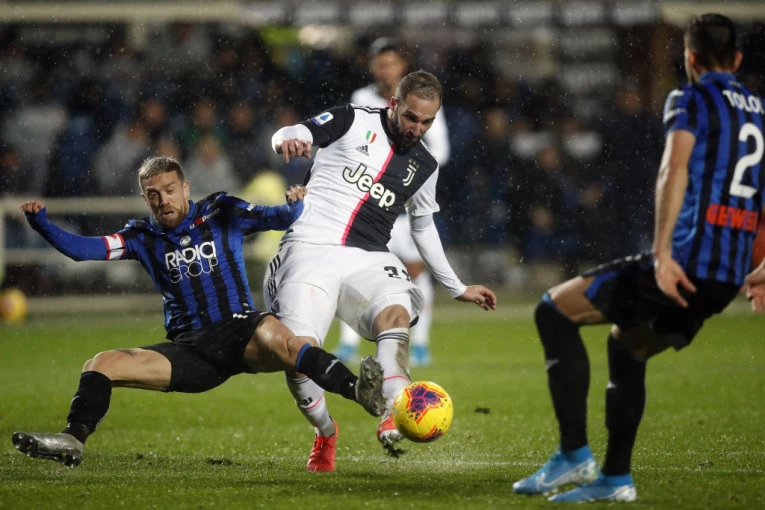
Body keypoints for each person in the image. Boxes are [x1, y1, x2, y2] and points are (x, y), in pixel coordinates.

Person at [512, 13, 765, 502]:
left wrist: (663, 253)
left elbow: (674, 168)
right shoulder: (759, 111)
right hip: (724, 277)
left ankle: (574, 455)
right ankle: (615, 480)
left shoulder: (689, 98)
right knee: (628, 345)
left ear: (689, 58)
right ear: (735, 60)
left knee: (553, 311)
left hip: (685, 263)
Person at [10, 156, 386, 468]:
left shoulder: (221, 211)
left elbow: (277, 218)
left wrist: (295, 204)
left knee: (289, 344)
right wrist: (43, 225)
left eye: (169, 190)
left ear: (186, 188)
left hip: (241, 330)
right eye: (153, 194)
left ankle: (357, 390)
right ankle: (72, 439)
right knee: (100, 364)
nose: (163, 200)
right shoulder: (141, 237)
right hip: (191, 351)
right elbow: (82, 250)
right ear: (145, 198)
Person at [266, 70, 496, 471]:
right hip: (309, 246)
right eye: (411, 117)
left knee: (396, 313)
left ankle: (395, 409)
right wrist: (289, 138)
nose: (417, 129)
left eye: (426, 122)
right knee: (297, 355)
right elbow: (290, 132)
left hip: (369, 255)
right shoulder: (352, 119)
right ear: (394, 104)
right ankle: (325, 431)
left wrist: (456, 286)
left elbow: (423, 228)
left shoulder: (425, 165)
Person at [333, 37, 452, 367]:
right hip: (367, 202)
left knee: (416, 272)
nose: (386, 70)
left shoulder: (421, 103)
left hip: (403, 203)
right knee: (352, 271)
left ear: (403, 66)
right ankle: (347, 343)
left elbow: (441, 151)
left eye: (392, 63)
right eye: (381, 64)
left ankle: (421, 343)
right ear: (372, 66)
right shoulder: (361, 98)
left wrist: (400, 166)